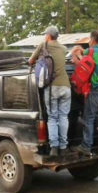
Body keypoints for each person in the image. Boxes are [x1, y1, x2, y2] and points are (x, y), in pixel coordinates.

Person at [28, 26, 71, 156]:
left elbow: (30, 61)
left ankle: (54, 147)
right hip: (66, 87)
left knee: (52, 117)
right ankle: (63, 147)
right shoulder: (64, 48)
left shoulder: (43, 45)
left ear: (48, 35)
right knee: (63, 116)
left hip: (52, 87)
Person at [73, 31, 98, 157]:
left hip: (95, 89)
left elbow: (79, 58)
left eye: (90, 39)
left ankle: (85, 146)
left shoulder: (90, 51)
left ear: (94, 39)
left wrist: (78, 50)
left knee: (88, 118)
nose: (89, 41)